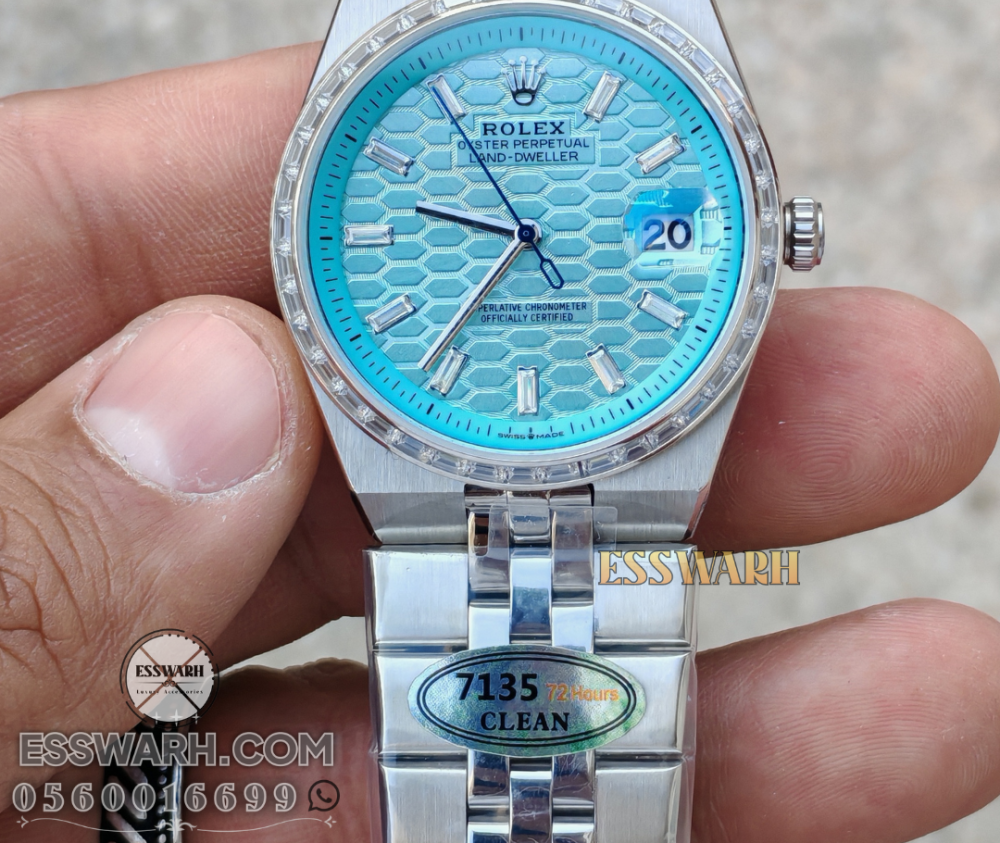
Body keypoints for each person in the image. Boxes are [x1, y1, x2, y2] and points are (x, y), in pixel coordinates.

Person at [0, 44, 998, 841]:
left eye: (526, 233)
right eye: (520, 231)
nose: (527, 236)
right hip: (438, 454)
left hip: (592, 447)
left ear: (781, 236)